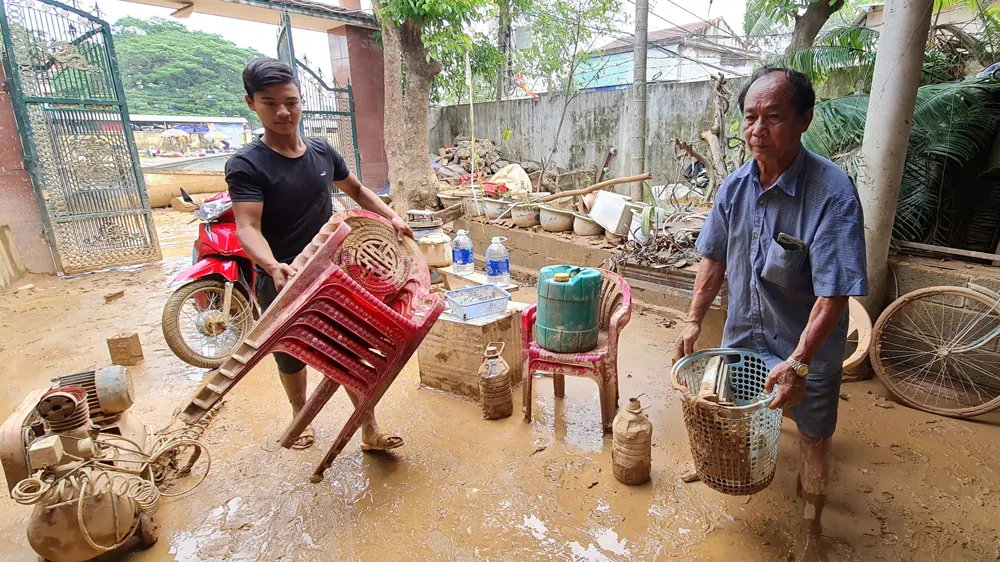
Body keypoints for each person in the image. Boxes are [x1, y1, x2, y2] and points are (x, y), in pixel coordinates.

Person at [674, 67, 868, 562]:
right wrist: (695, 319)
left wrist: (800, 361)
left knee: (814, 434)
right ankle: (726, 465)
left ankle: (813, 529)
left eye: (774, 117)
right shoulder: (735, 188)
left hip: (809, 344)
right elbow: (713, 257)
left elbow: (833, 296)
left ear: (804, 120)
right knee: (728, 406)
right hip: (744, 330)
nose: (758, 129)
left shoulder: (832, 193)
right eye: (750, 116)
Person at [226, 58, 413, 452]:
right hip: (282, 278)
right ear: (251, 103)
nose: (282, 111)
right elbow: (248, 226)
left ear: (301, 101)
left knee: (349, 349)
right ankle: (299, 411)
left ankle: (368, 427)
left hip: (335, 274)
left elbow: (359, 192)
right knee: (291, 354)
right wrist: (272, 264)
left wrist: (393, 217)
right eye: (269, 102)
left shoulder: (322, 152)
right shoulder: (246, 164)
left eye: (290, 102)